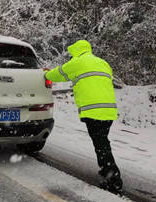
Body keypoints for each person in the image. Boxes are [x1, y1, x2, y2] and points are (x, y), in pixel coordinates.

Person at [45, 40, 123, 193]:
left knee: (101, 144)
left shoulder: (77, 62)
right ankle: (106, 170)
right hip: (109, 111)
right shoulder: (102, 63)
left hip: (93, 112)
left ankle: (113, 178)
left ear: (76, 51)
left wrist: (46, 73)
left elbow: (57, 74)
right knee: (102, 141)